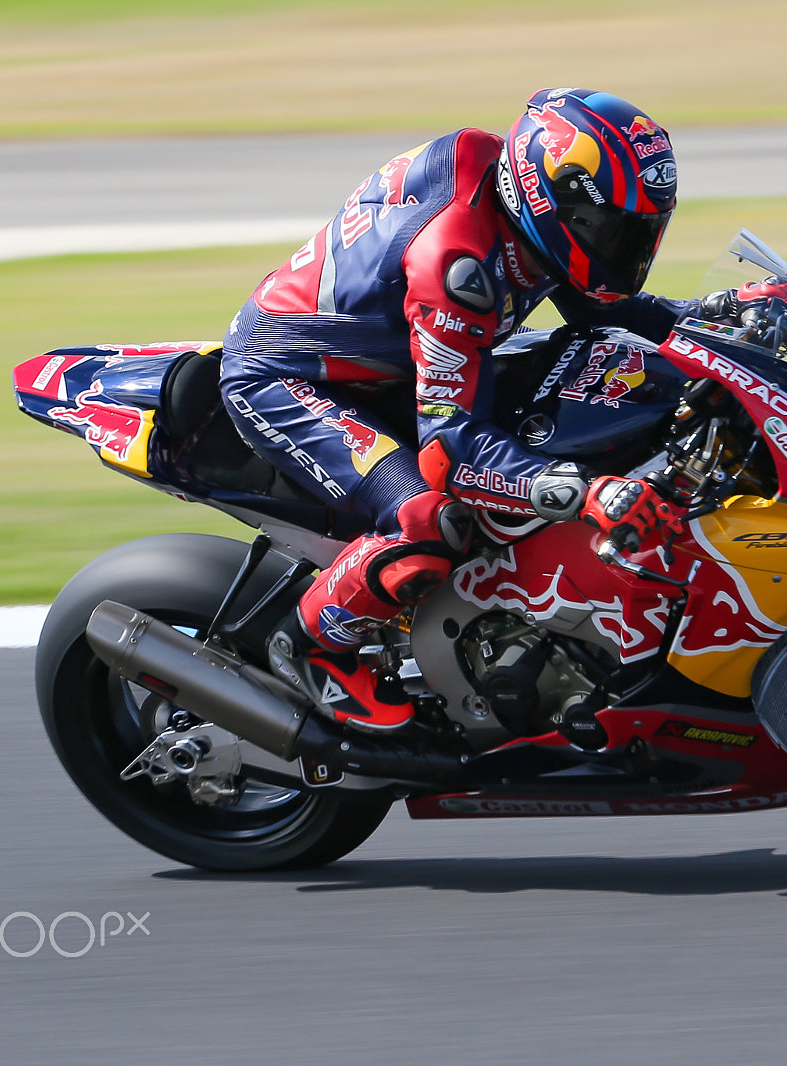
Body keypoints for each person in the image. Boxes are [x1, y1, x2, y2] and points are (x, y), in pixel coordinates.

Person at [219, 88, 688, 730]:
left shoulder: (522, 210)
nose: (626, 248)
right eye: (610, 228)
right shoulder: (459, 262)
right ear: (553, 201)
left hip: (396, 361)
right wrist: (585, 495)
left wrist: (720, 324)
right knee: (429, 517)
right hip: (291, 376)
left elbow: (602, 308)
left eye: (639, 232)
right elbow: (450, 450)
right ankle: (308, 646)